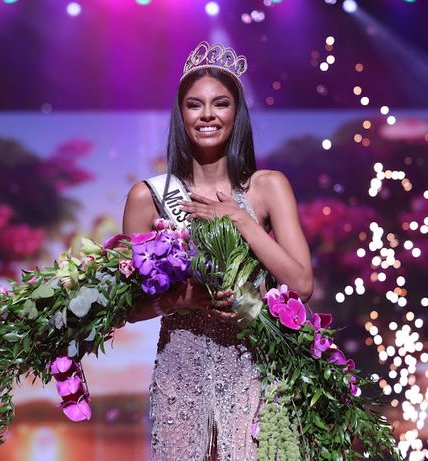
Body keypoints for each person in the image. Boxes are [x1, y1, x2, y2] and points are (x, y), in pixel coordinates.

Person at [122, 41, 313, 461]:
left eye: (220, 104)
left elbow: (301, 283)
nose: (207, 114)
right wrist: (185, 299)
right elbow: (128, 307)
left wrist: (241, 219)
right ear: (181, 115)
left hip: (253, 365)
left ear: (236, 113)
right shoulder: (148, 197)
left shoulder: (268, 187)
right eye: (195, 105)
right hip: (181, 364)